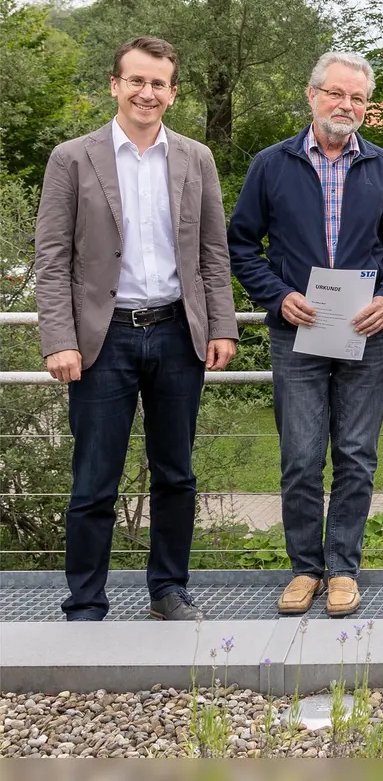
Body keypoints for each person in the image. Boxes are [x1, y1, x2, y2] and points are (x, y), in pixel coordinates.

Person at [34, 36, 238, 621]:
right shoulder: (73, 159)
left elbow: (213, 252)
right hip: (104, 340)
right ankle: (86, 601)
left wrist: (220, 325)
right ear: (115, 85)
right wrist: (60, 339)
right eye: (137, 81)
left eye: (159, 84)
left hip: (178, 333)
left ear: (172, 93)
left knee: (176, 473)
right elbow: (51, 258)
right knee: (95, 479)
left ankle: (168, 591)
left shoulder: (195, 159)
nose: (147, 93)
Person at [228, 51, 383, 618]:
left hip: (365, 331)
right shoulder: (272, 164)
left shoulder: (382, 166)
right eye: (336, 94)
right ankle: (305, 568)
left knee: (357, 455)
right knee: (302, 457)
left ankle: (343, 570)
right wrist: (278, 296)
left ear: (367, 108)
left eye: (357, 98)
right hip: (297, 332)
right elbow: (241, 245)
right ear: (312, 96)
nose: (346, 106)